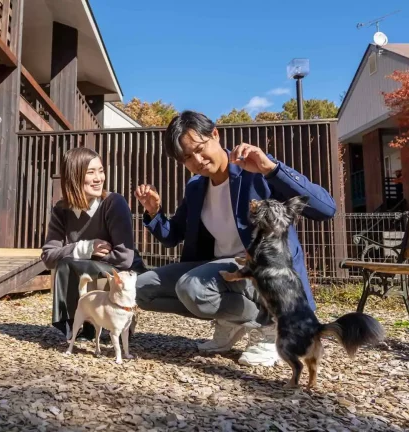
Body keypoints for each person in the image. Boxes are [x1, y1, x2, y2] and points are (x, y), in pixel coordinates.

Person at [133, 110, 336, 367]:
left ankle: (271, 325)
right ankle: (233, 321)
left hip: (263, 273)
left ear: (215, 135)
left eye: (199, 148)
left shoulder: (255, 169)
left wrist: (271, 169)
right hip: (222, 272)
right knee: (141, 288)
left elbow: (326, 209)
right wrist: (154, 212)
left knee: (192, 287)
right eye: (187, 158)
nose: (197, 159)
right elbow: (172, 236)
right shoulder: (196, 187)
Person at [41, 147, 146, 341]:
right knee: (67, 264)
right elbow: (48, 256)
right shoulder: (61, 209)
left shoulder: (114, 203)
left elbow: (123, 258)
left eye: (101, 170)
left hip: (123, 272)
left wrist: (76, 255)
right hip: (89, 269)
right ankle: (78, 324)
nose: (99, 178)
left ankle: (118, 320)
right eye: (91, 172)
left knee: (69, 263)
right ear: (73, 176)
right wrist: (85, 248)